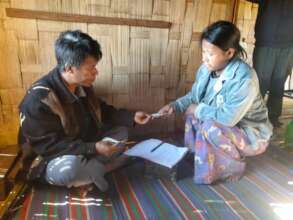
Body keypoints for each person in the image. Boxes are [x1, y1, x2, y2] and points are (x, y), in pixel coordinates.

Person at [18, 30, 151, 193]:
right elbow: (48, 147)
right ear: (69, 69)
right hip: (51, 157)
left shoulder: (82, 85)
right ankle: (99, 169)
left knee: (122, 132)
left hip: (84, 144)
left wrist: (132, 117)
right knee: (69, 170)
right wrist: (93, 148)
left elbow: (101, 110)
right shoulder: (38, 100)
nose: (96, 72)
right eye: (92, 67)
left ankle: (92, 171)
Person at [158, 21, 272, 184]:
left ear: (229, 53)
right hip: (228, 125)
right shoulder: (206, 69)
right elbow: (194, 97)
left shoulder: (244, 79)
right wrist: (174, 106)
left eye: (210, 53)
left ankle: (231, 168)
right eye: (203, 52)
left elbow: (228, 118)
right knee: (192, 116)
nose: (204, 58)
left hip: (249, 132)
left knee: (208, 126)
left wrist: (197, 109)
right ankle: (198, 158)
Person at [247, 0, 293, 127]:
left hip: (289, 45)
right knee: (260, 82)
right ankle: (254, 117)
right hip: (267, 40)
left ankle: (273, 117)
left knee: (279, 82)